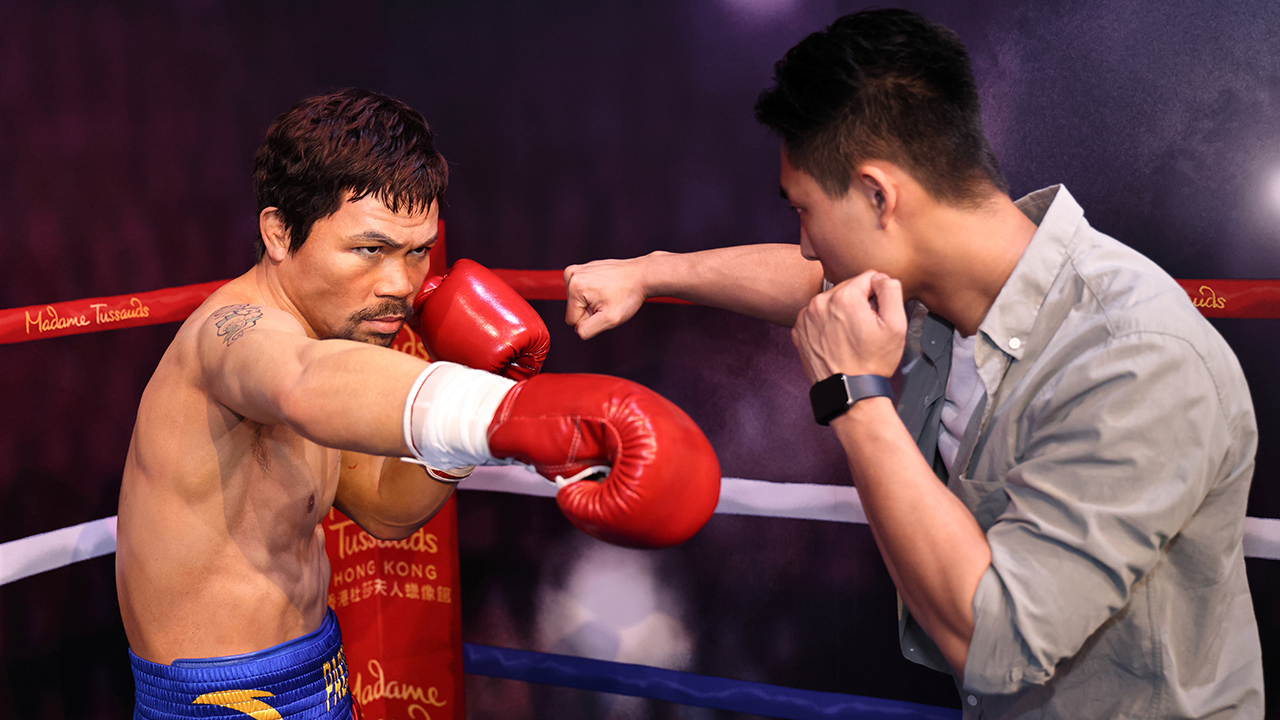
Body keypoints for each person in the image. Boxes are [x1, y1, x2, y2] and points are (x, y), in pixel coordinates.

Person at [564, 9, 1262, 719]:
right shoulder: (964, 287)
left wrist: (853, 396)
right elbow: (811, 281)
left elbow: (999, 641)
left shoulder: (1135, 360)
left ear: (877, 194)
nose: (805, 244)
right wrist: (650, 272)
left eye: (804, 210)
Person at [115, 88, 720, 719]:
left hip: (317, 673)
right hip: (220, 703)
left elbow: (385, 509)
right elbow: (298, 379)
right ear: (278, 232)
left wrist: (459, 408)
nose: (401, 284)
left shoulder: (329, 334)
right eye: (369, 250)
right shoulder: (233, 333)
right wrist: (504, 411)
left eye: (418, 251)